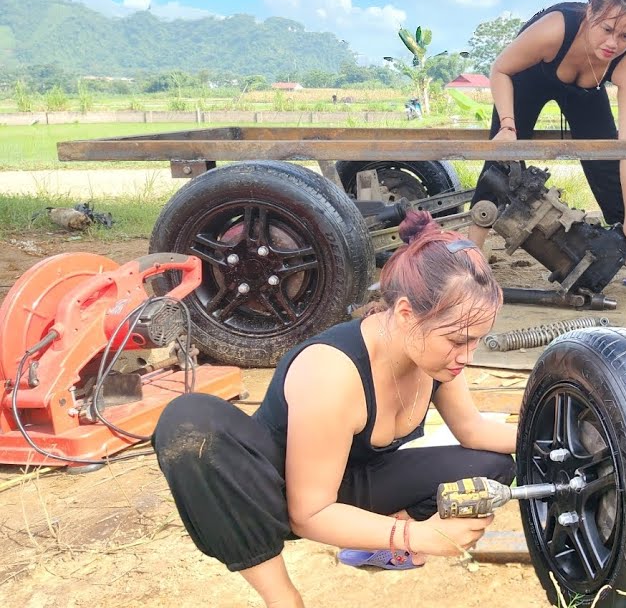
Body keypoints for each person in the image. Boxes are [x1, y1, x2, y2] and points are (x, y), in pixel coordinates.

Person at [152, 210, 515, 608]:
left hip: (351, 480)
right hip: (277, 497)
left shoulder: (438, 353)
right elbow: (308, 512)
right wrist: (420, 536)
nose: (467, 355)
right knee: (188, 425)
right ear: (407, 313)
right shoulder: (332, 372)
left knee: (491, 467)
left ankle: (375, 543)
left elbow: (474, 430)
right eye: (457, 341)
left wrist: (559, 434)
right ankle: (283, 597)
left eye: (476, 340)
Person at [468, 0, 626, 293]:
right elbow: (500, 69)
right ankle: (470, 263)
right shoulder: (555, 28)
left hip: (586, 87)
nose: (614, 43)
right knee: (501, 164)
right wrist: (507, 126)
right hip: (528, 77)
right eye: (607, 29)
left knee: (609, 162)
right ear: (589, 12)